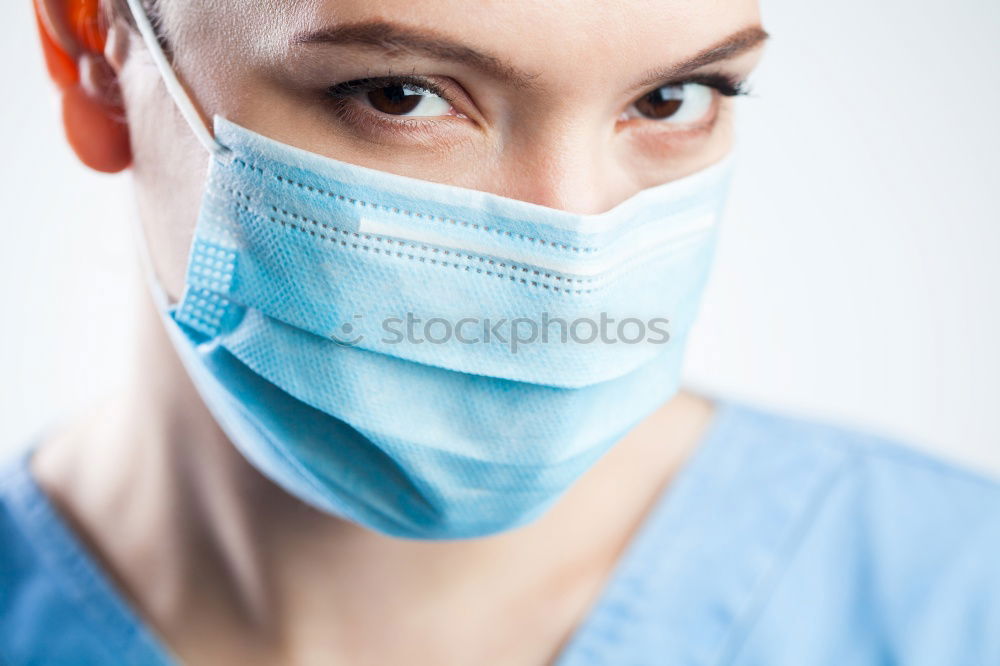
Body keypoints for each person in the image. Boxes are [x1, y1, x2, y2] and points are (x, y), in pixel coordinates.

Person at [3, 0, 999, 664]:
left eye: (670, 98)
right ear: (94, 50)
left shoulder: (953, 599)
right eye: (402, 95)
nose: (572, 245)